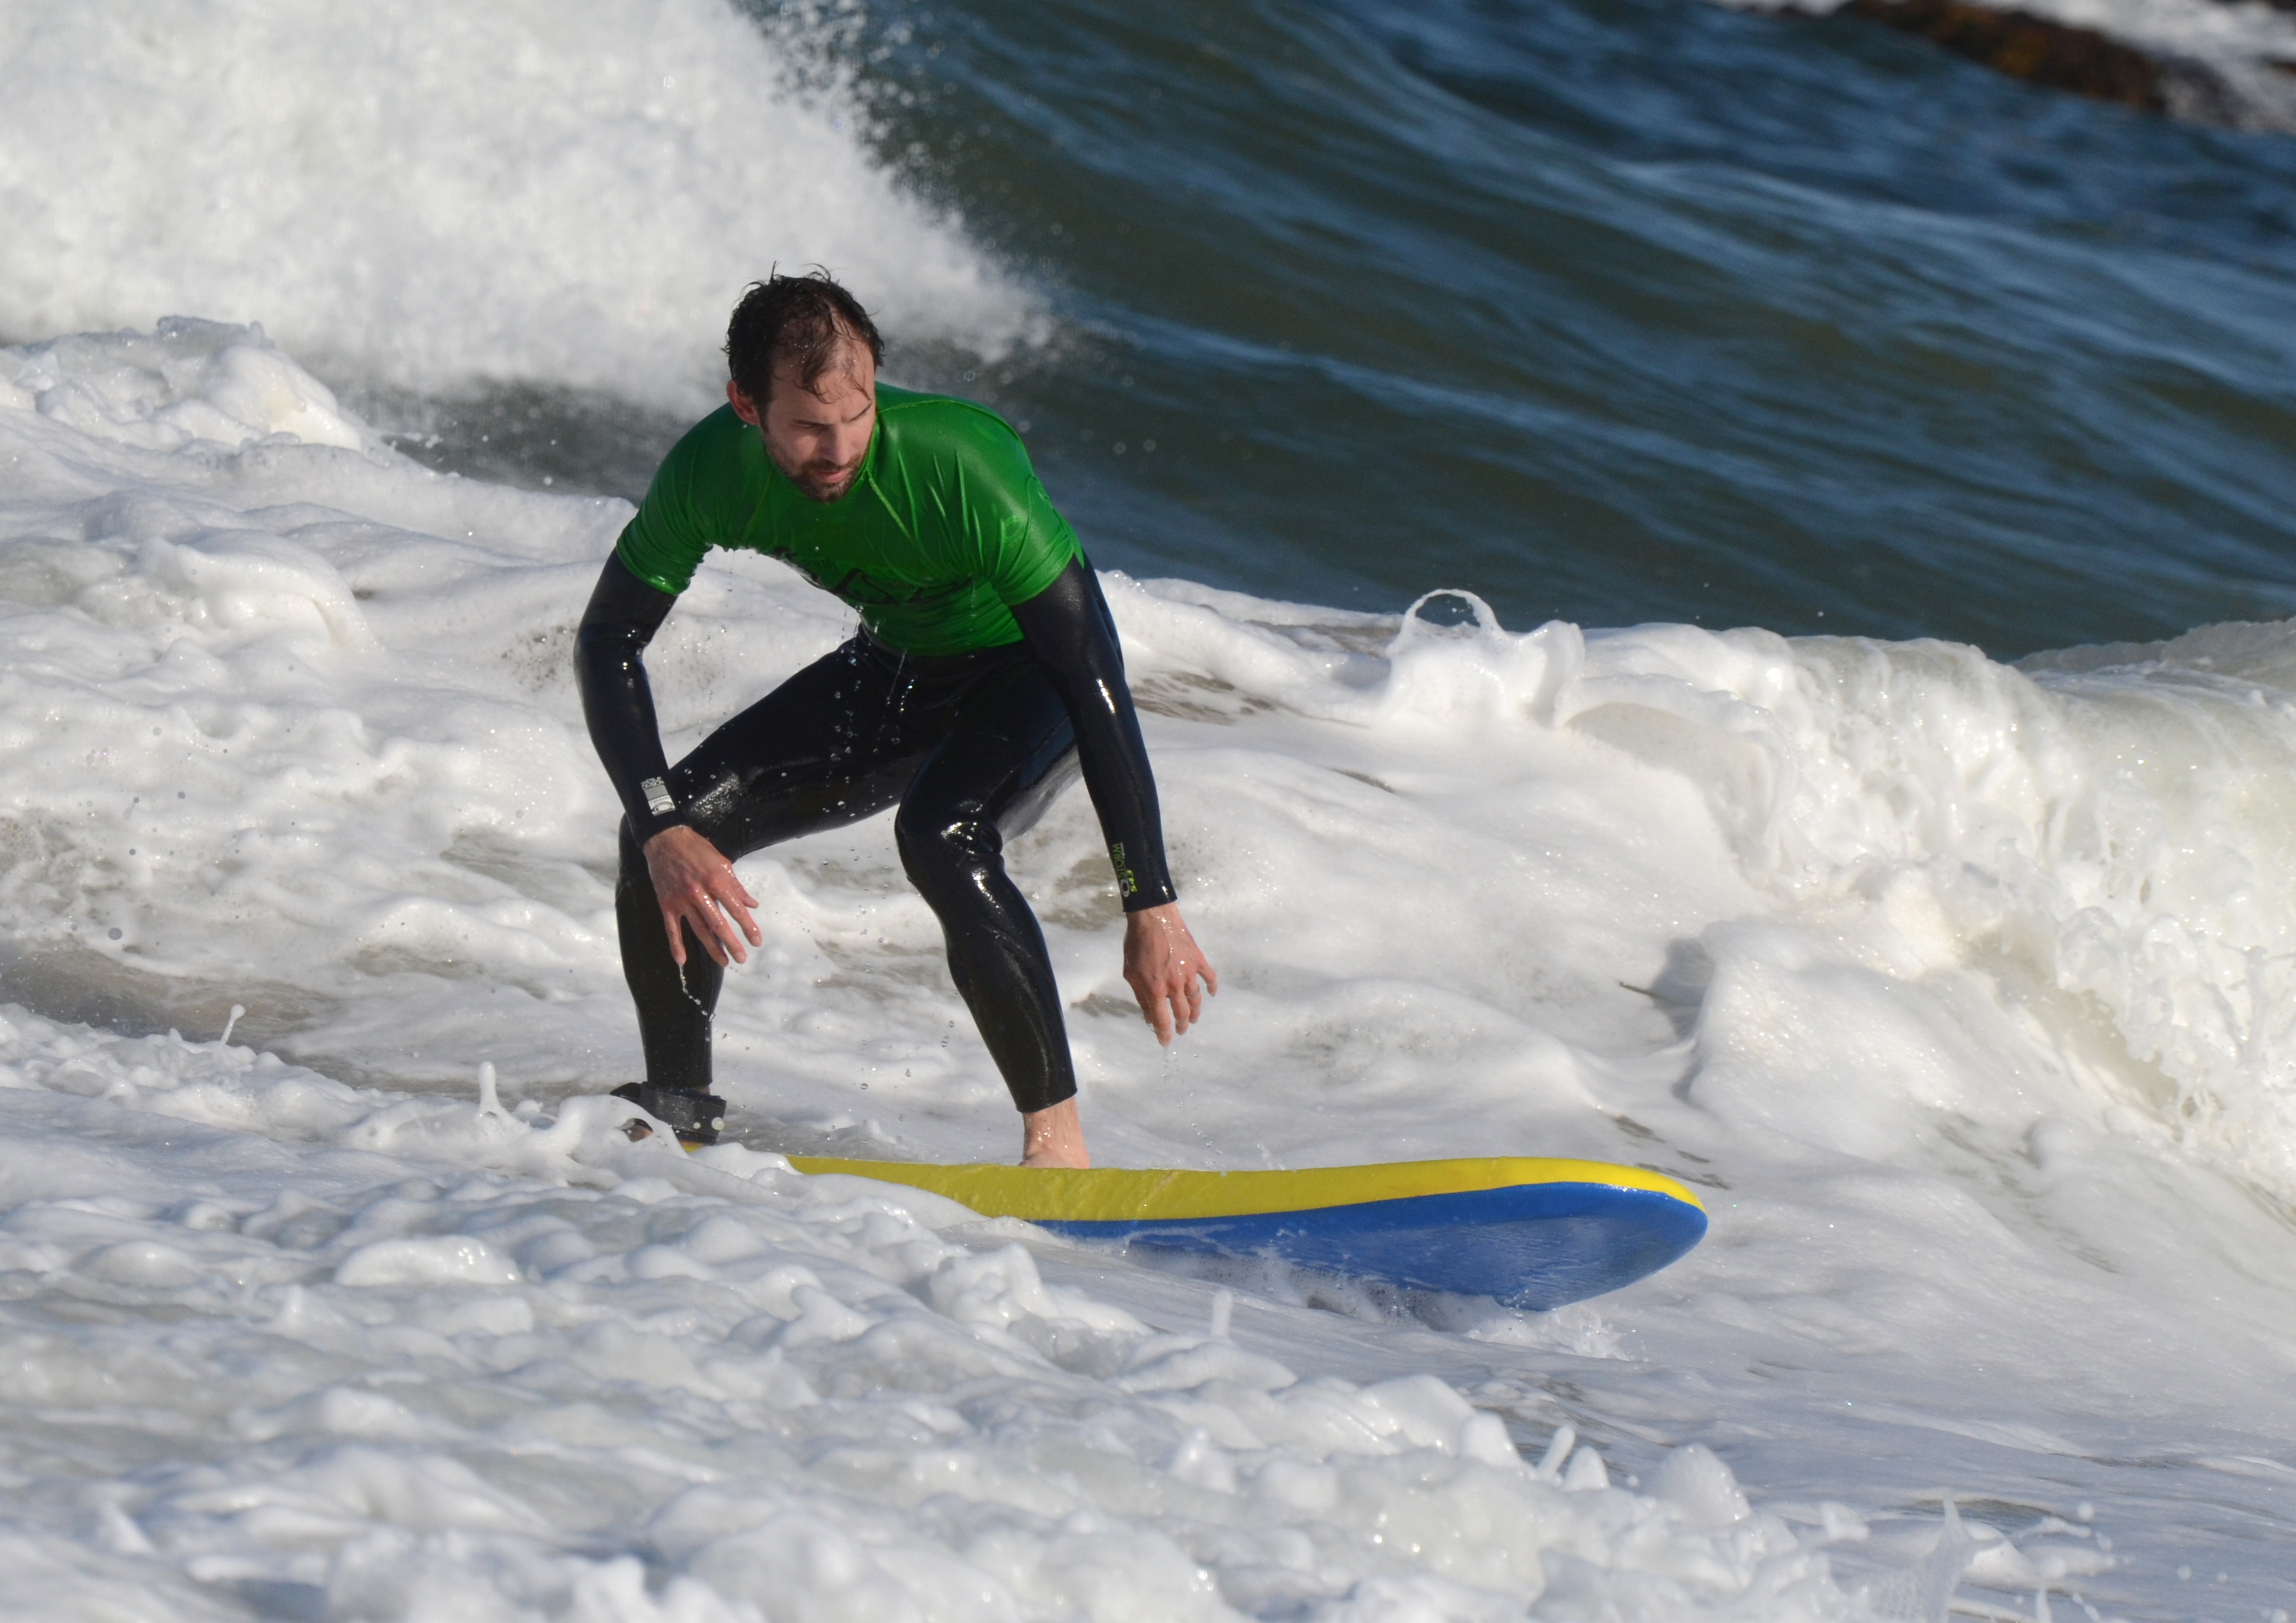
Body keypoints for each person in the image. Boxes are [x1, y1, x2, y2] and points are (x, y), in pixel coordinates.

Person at [574, 272, 1215, 1167]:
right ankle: (681, 1104)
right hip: (897, 668)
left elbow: (1090, 674)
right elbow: (608, 640)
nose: (838, 449)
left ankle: (1057, 1144)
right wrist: (658, 825)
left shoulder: (958, 464)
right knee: (676, 825)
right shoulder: (708, 472)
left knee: (941, 833)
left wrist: (1150, 902)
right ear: (746, 406)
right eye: (807, 426)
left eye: (858, 414)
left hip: (1030, 677)